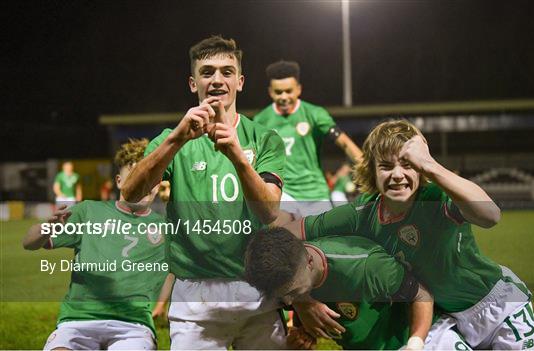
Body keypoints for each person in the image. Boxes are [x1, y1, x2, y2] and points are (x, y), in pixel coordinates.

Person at [284, 119, 534, 350]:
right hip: (443, 319)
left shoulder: (435, 199)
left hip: (497, 306)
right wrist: (302, 300)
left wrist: (429, 164)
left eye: (407, 165)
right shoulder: (362, 213)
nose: (397, 175)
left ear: (419, 168)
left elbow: (491, 215)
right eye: (385, 166)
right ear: (372, 171)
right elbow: (281, 237)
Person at [121, 35, 287, 349]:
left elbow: (269, 210)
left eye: (227, 71)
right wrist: (175, 141)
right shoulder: (172, 138)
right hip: (194, 297)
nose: (217, 80)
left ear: (240, 82)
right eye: (207, 72)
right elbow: (130, 194)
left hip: (257, 292)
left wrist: (237, 155)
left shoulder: (264, 139)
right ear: (192, 83)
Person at [23, 138, 168, 350]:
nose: (142, 185)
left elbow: (174, 267)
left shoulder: (166, 226)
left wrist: (162, 304)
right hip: (78, 320)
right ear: (119, 181)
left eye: (150, 179)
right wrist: (46, 229)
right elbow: (29, 243)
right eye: (135, 178)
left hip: (133, 326)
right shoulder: (88, 211)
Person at [245, 228, 474, 350]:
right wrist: (304, 333)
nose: (287, 303)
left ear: (309, 261)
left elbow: (422, 295)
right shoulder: (289, 272)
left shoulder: (366, 266)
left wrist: (415, 344)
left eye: (293, 293)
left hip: (427, 338)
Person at [253, 60, 363, 221]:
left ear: (298, 89)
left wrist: (369, 169)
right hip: (284, 193)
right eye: (278, 92)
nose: (284, 97)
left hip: (315, 194)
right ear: (270, 92)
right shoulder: (260, 120)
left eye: (288, 91)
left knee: (322, 244)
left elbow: (344, 142)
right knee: (280, 237)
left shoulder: (315, 114)